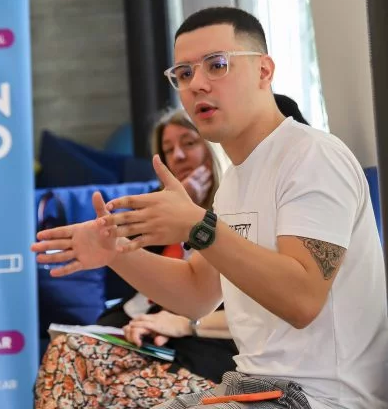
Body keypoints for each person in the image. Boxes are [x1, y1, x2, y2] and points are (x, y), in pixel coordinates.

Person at [32, 7, 388, 409]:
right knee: (73, 363)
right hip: (249, 388)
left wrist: (198, 227)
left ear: (264, 71)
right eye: (184, 73)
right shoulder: (235, 181)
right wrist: (115, 253)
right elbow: (196, 294)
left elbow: (302, 300)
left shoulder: (312, 156)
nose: (197, 84)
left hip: (320, 399)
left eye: (217, 65)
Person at [34, 108, 237, 409]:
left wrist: (193, 217)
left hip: (204, 347)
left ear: (213, 148)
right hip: (147, 338)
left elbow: (206, 297)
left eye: (189, 143)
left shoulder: (236, 208)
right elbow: (140, 296)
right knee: (65, 352)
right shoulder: (152, 216)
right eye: (169, 150)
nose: (178, 156)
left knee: (112, 391)